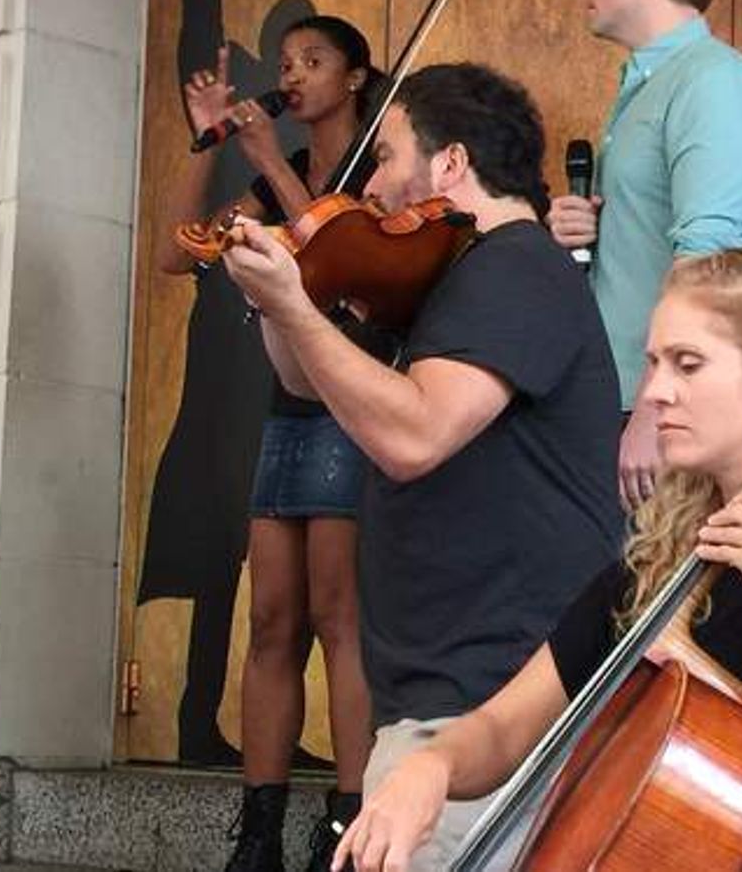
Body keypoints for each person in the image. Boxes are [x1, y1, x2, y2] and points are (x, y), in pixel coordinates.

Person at [333, 249, 742, 872]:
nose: (654, 392)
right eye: (653, 364)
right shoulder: (658, 572)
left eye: (688, 364)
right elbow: (502, 729)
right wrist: (430, 765)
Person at [224, 62, 624, 870]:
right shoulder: (444, 279)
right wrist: (282, 299)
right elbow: (312, 377)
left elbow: (414, 437)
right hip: (440, 692)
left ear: (450, 164)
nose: (371, 184)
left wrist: (298, 307)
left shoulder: (514, 267)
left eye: (387, 155)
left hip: (487, 696)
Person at [155, 13, 387, 872]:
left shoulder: (381, 162)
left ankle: (348, 823)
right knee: (271, 621)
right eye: (285, 62)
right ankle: (258, 829)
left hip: (355, 400)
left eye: (313, 61)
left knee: (339, 619)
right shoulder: (281, 163)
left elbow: (345, 266)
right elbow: (182, 256)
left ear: (355, 76)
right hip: (287, 407)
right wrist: (206, 141)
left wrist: (261, 159)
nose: (292, 76)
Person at [549, 0, 742, 513]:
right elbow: (658, 232)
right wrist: (591, 230)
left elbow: (710, 258)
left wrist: (658, 410)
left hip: (674, 409)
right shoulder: (649, 84)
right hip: (625, 391)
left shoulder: (713, 80)